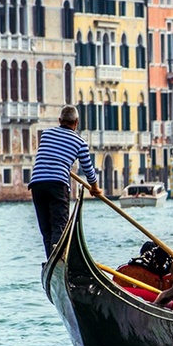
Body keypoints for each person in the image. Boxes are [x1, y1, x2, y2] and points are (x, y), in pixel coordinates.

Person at [29, 105, 102, 260]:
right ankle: (57, 259)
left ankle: (51, 259)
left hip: (37, 183)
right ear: (76, 122)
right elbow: (88, 170)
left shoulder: (46, 134)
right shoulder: (80, 142)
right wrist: (95, 188)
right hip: (58, 183)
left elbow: (50, 154)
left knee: (46, 229)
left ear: (60, 120)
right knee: (59, 226)